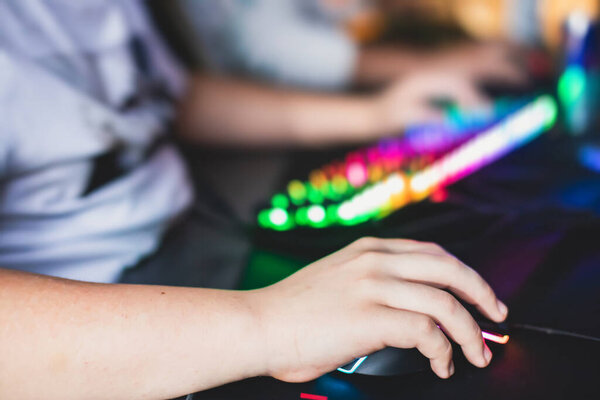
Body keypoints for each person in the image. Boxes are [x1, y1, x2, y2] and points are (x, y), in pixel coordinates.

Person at [0, 1, 508, 399]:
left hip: (201, 230)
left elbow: (165, 96)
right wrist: (271, 325)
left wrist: (377, 114)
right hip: (84, 323)